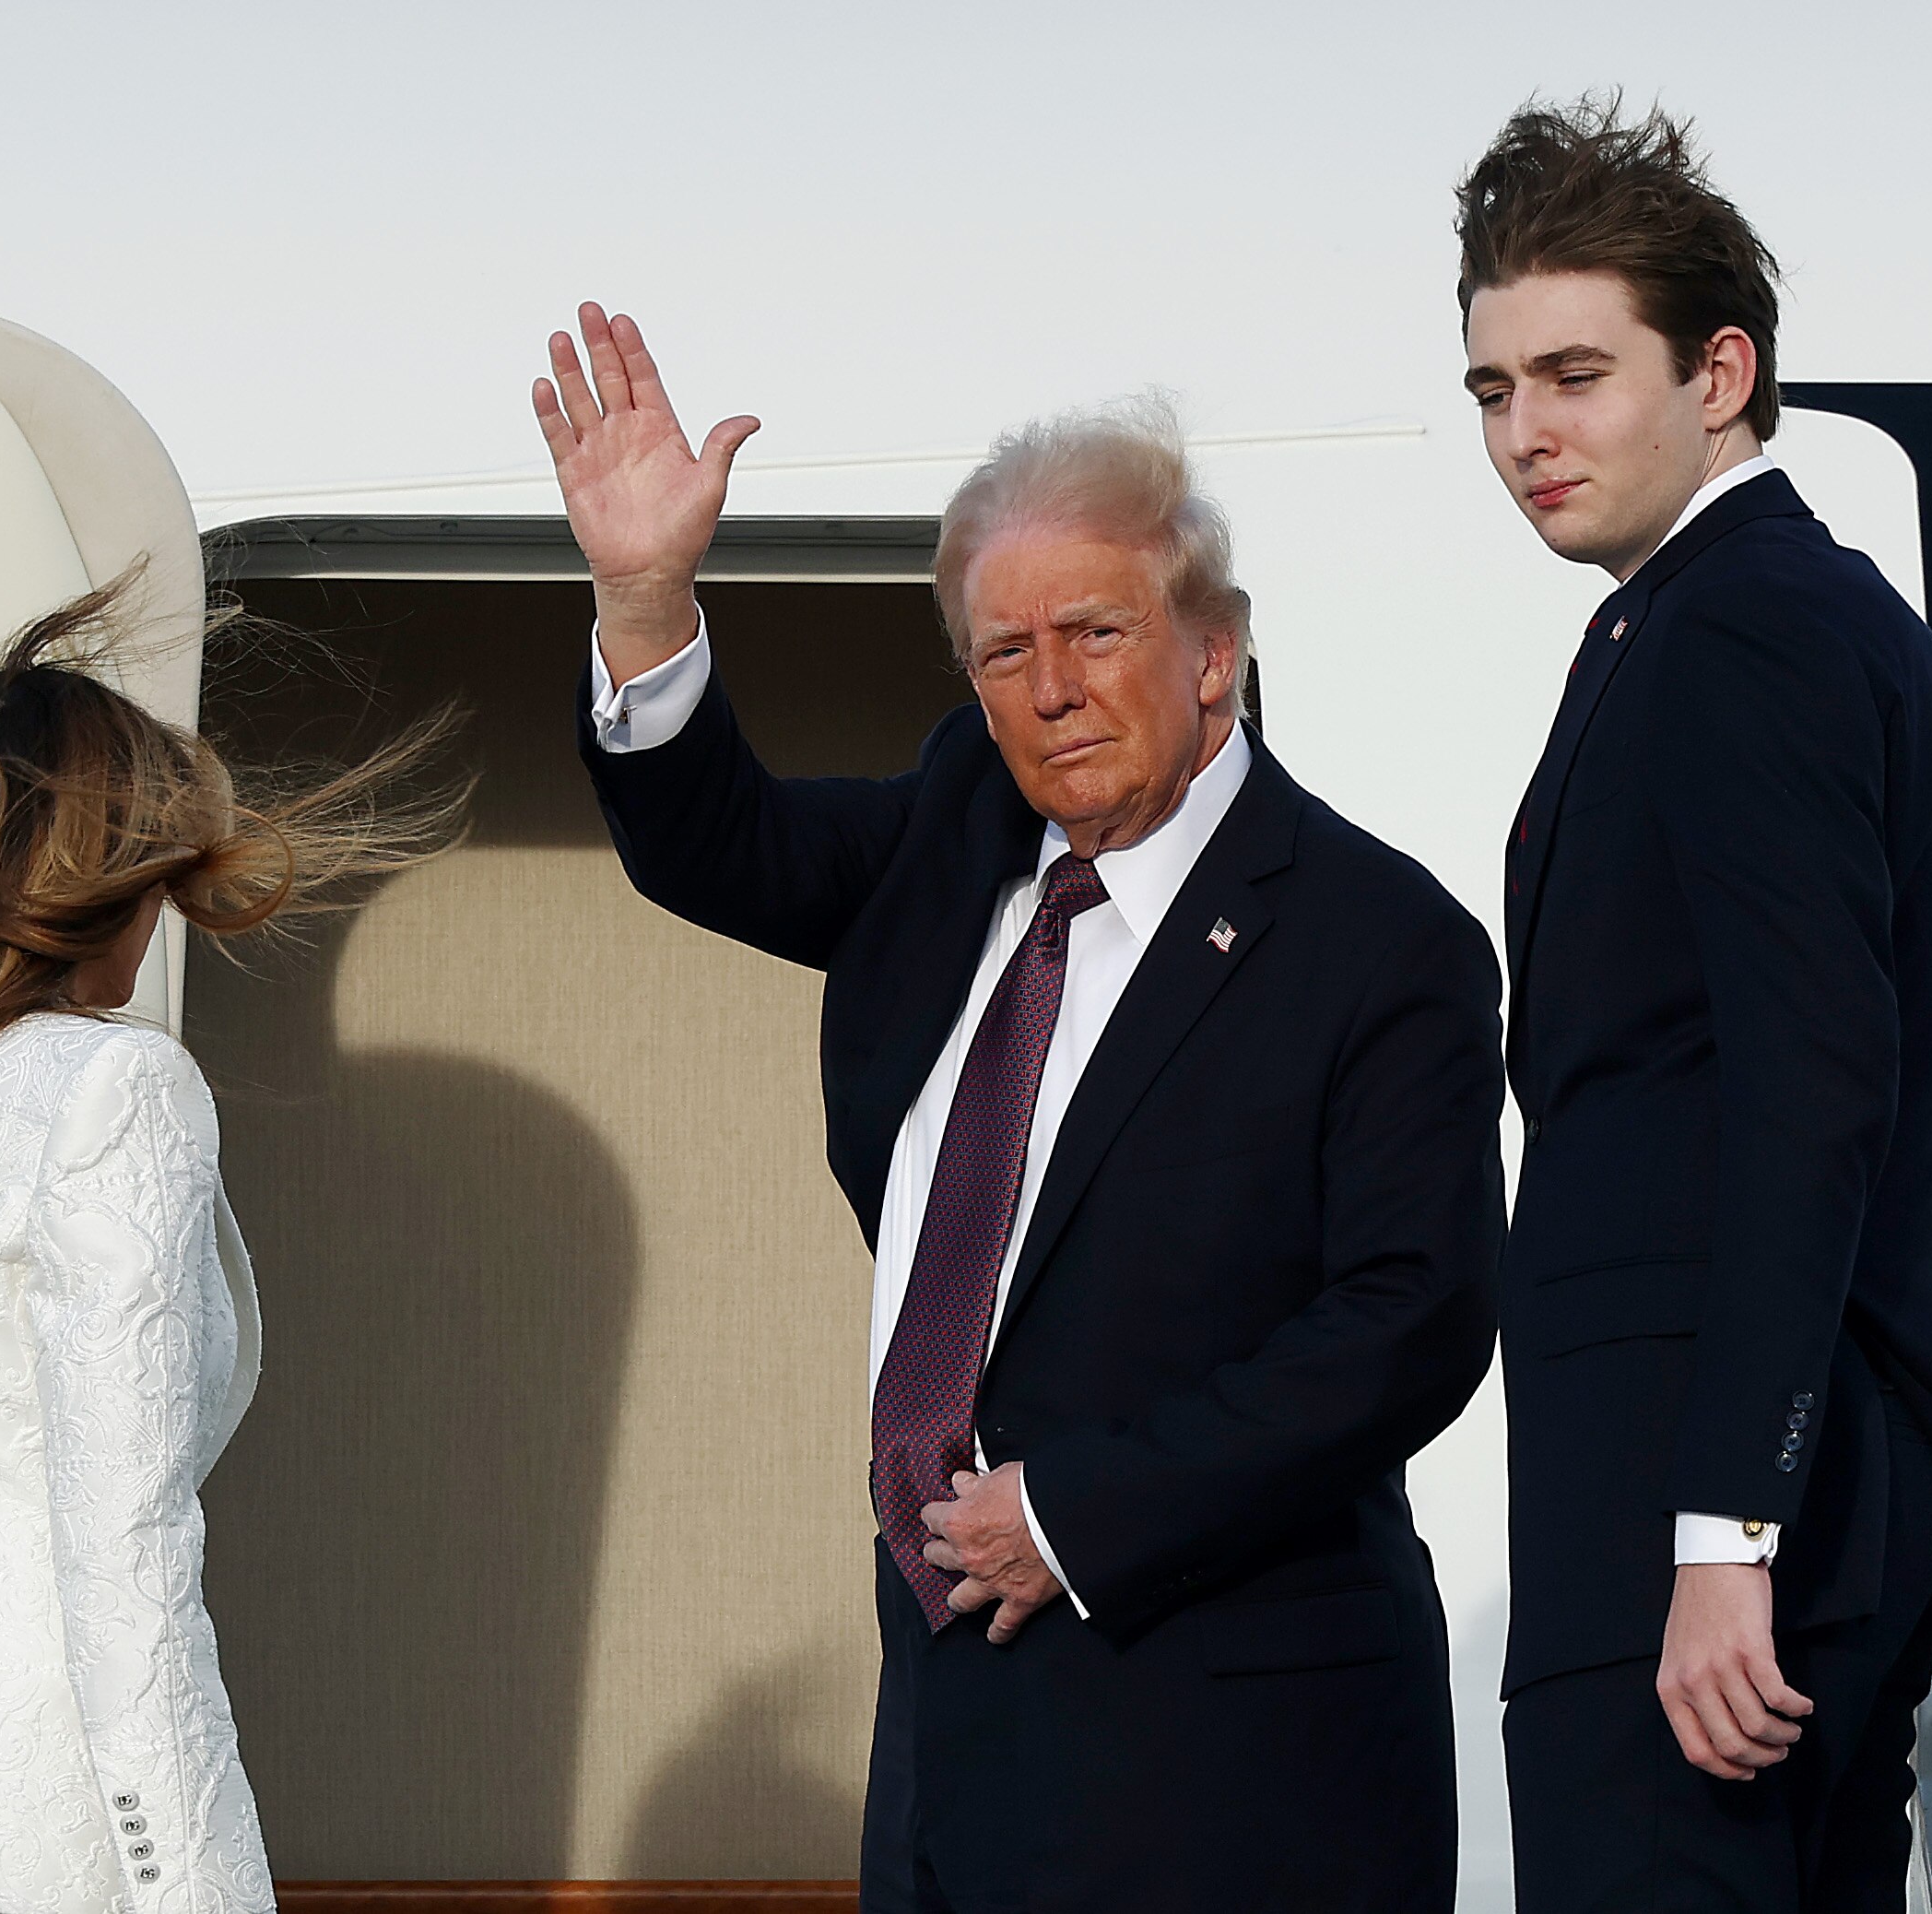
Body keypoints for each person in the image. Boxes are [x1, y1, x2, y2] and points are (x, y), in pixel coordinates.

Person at [537, 305, 1503, 1913]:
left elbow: (1410, 1322)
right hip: (949, 1719)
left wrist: (1076, 1509)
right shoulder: (958, 830)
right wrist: (643, 598)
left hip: (1232, 1751)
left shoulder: (1375, 939)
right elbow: (722, 846)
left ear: (1212, 650)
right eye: (1004, 653)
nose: (1049, 688)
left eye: (1096, 633)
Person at [1454, 100, 1932, 1909]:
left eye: (1577, 374)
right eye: (1495, 390)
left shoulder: (1730, 631)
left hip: (1700, 1512)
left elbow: (1815, 1092)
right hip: (1831, 1501)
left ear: (1722, 368)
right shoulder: (1847, 628)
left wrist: (1727, 1521)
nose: (1528, 433)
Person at [0, 580, 458, 1914]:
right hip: (40, 1825)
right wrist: (205, 1894)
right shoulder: (114, 1093)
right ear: (99, 872)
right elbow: (125, 1564)